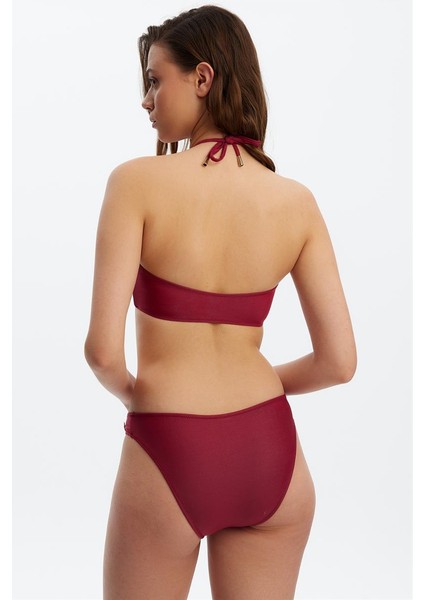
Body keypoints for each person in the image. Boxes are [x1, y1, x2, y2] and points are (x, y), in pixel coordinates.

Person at [84, 4, 357, 599]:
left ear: (202, 78)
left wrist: (142, 396)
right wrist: (251, 389)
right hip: (270, 452)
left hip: (170, 444)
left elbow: (102, 354)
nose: (146, 100)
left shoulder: (135, 183)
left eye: (155, 80)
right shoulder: (295, 201)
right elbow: (339, 363)